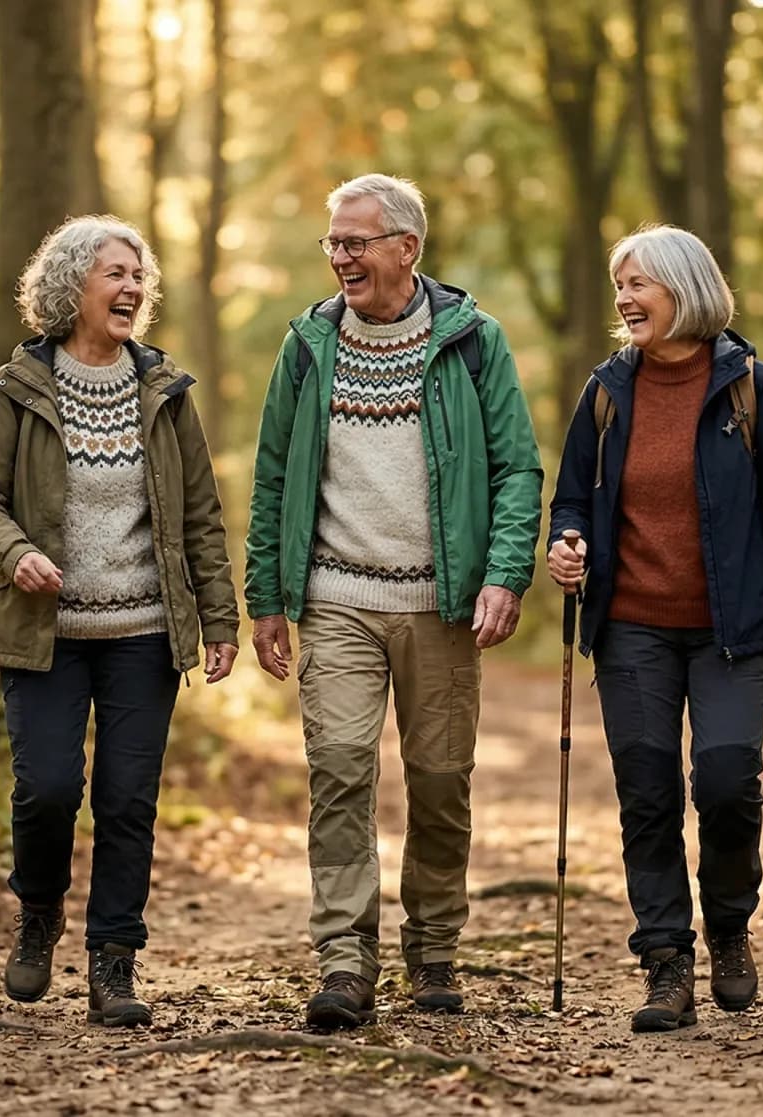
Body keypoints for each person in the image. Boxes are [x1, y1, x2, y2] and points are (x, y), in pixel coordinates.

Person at [245, 174, 543, 1029]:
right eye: (333, 243)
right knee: (338, 767)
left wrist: (504, 572)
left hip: (441, 601)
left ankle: (436, 949)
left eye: (356, 241)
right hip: (336, 596)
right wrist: (267, 595)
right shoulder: (307, 347)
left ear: (406, 248)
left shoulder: (474, 342)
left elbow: (518, 467)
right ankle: (345, 961)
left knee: (441, 779)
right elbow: (273, 478)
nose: (340, 256)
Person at [0, 215, 239, 1028]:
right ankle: (39, 910)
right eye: (114, 272)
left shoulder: (165, 390)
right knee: (46, 790)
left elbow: (200, 518)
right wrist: (14, 554)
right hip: (43, 633)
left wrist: (219, 620)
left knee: (127, 801)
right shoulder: (19, 387)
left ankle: (114, 962)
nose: (131, 287)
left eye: (138, 275)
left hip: (144, 634)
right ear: (71, 284)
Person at [545, 224, 763, 1033]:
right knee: (648, 790)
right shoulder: (606, 392)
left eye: (639, 283)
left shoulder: (751, 388)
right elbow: (572, 496)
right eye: (619, 285)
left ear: (686, 287)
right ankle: (667, 960)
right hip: (632, 623)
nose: (625, 299)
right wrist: (568, 544)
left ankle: (731, 925)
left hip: (734, 628)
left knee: (727, 777)